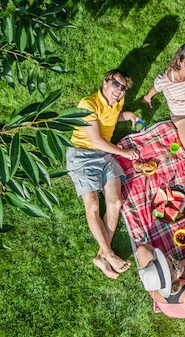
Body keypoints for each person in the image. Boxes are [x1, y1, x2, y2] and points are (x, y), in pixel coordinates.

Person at [66, 69, 141, 279]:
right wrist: (124, 152)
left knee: (115, 202)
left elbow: (111, 118)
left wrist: (130, 115)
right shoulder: (88, 104)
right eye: (116, 85)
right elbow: (97, 140)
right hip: (83, 154)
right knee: (92, 205)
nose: (119, 91)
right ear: (105, 82)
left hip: (105, 154)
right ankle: (108, 253)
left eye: (123, 88)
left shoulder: (117, 102)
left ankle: (101, 256)